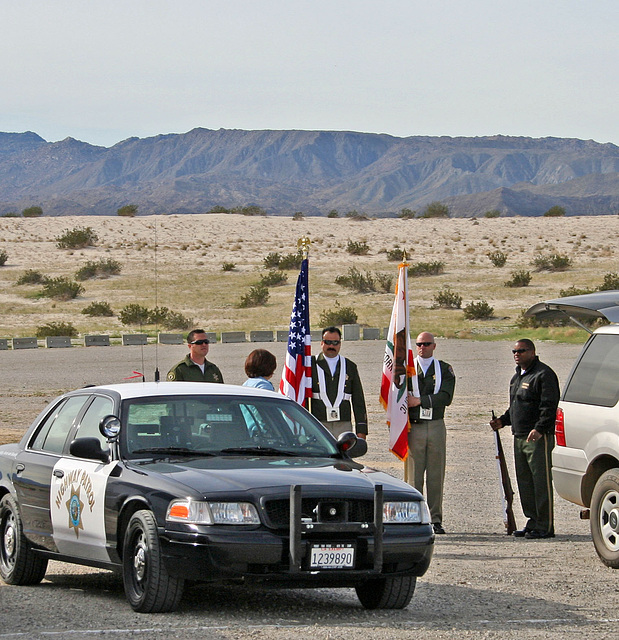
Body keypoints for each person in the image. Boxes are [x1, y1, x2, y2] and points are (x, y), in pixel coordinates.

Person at [490, 339, 560, 539]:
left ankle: (545, 526)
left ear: (532, 352)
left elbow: (549, 405)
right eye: (514, 351)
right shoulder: (517, 377)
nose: (517, 354)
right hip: (519, 436)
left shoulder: (543, 374)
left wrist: (540, 428)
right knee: (525, 482)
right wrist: (503, 421)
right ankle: (532, 521)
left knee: (541, 481)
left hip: (537, 437)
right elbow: (516, 406)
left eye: (521, 350)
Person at [406, 332, 456, 535]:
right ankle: (414, 517)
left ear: (434, 346)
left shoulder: (444, 369)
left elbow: (446, 396)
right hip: (415, 426)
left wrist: (420, 401)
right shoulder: (407, 369)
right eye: (419, 344)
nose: (422, 347)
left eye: (427, 344)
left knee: (436, 475)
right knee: (414, 475)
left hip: (435, 424)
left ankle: (435, 519)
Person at [310, 326, 368, 440]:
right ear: (322, 343)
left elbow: (358, 400)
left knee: (344, 456)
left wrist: (361, 429)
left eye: (335, 342)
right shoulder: (310, 364)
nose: (331, 346)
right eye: (328, 342)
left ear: (340, 344)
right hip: (318, 422)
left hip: (343, 423)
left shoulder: (350, 366)